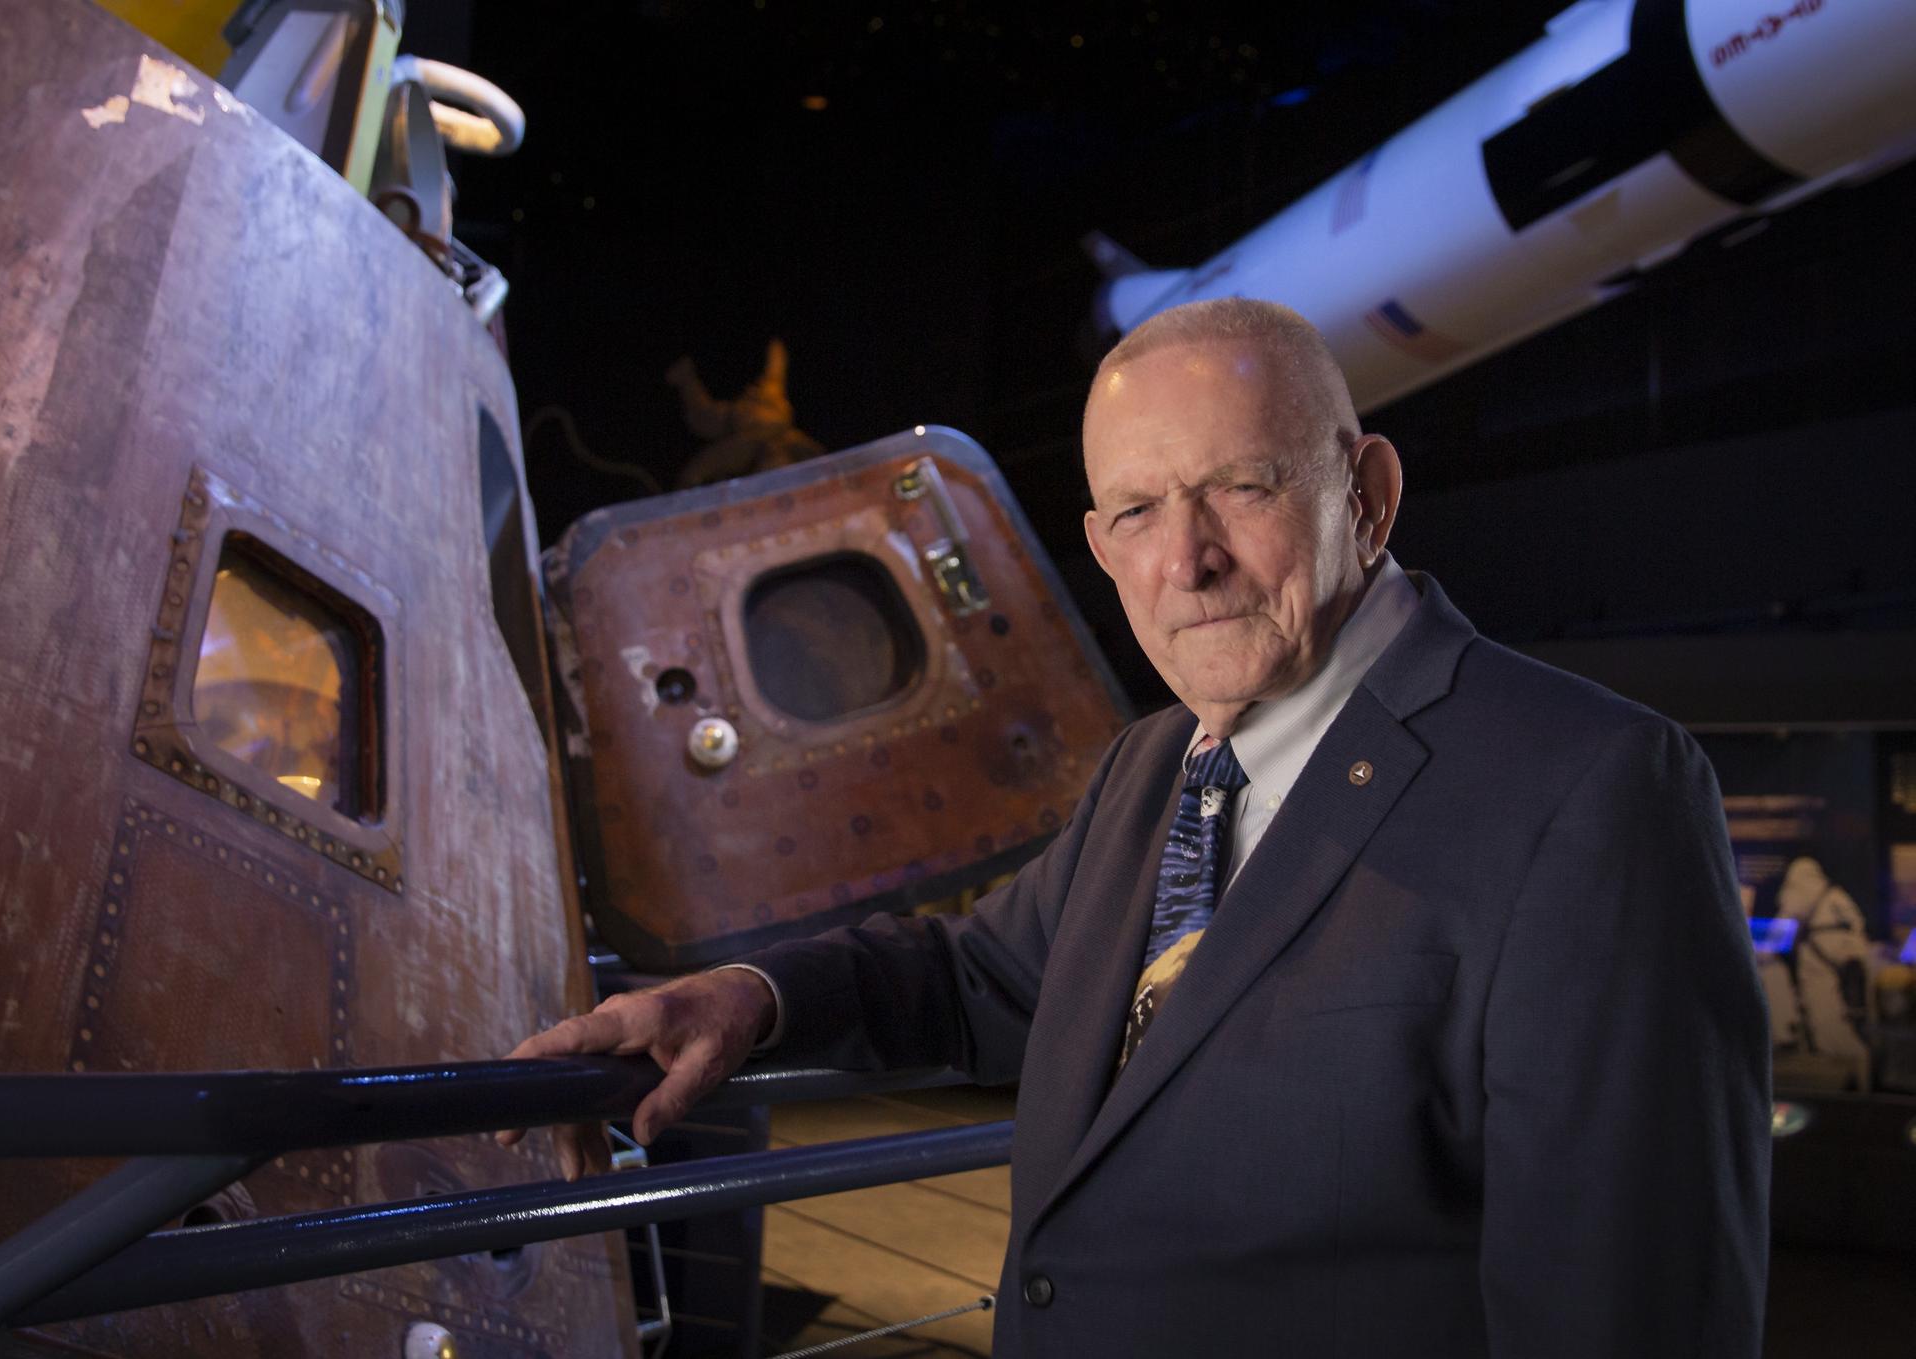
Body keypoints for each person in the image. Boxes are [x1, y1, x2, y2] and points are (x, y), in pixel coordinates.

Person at [501, 299, 1772, 1356]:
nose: (1187, 559)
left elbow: (1632, 1318)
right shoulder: (1155, 766)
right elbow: (983, 975)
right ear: (1100, 545)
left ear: (1367, 496)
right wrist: (747, 999)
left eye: (1238, 487)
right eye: (1136, 511)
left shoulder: (1589, 790)